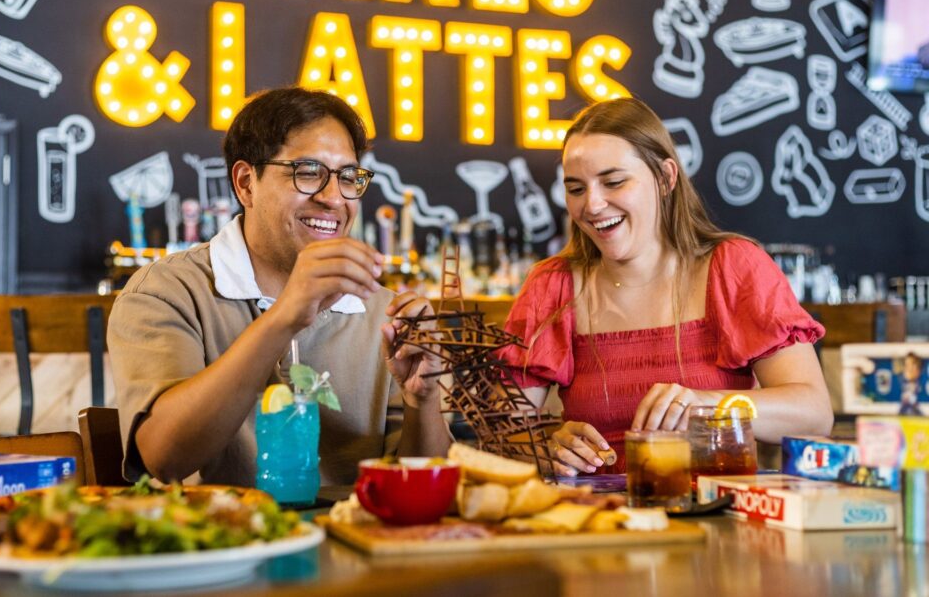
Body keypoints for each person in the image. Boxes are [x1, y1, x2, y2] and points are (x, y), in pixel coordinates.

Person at [108, 86, 451, 485]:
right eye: (307, 172)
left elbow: (422, 487)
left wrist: (423, 401)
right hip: (225, 541)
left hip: (354, 541)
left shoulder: (384, 314)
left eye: (348, 177)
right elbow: (163, 458)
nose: (333, 198)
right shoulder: (166, 292)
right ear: (246, 183)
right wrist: (286, 315)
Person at [499, 98, 833, 476]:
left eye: (613, 182)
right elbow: (502, 433)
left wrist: (706, 406)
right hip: (601, 523)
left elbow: (813, 413)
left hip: (715, 520)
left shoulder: (734, 267)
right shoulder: (552, 285)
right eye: (576, 189)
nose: (591, 205)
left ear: (665, 178)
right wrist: (545, 446)